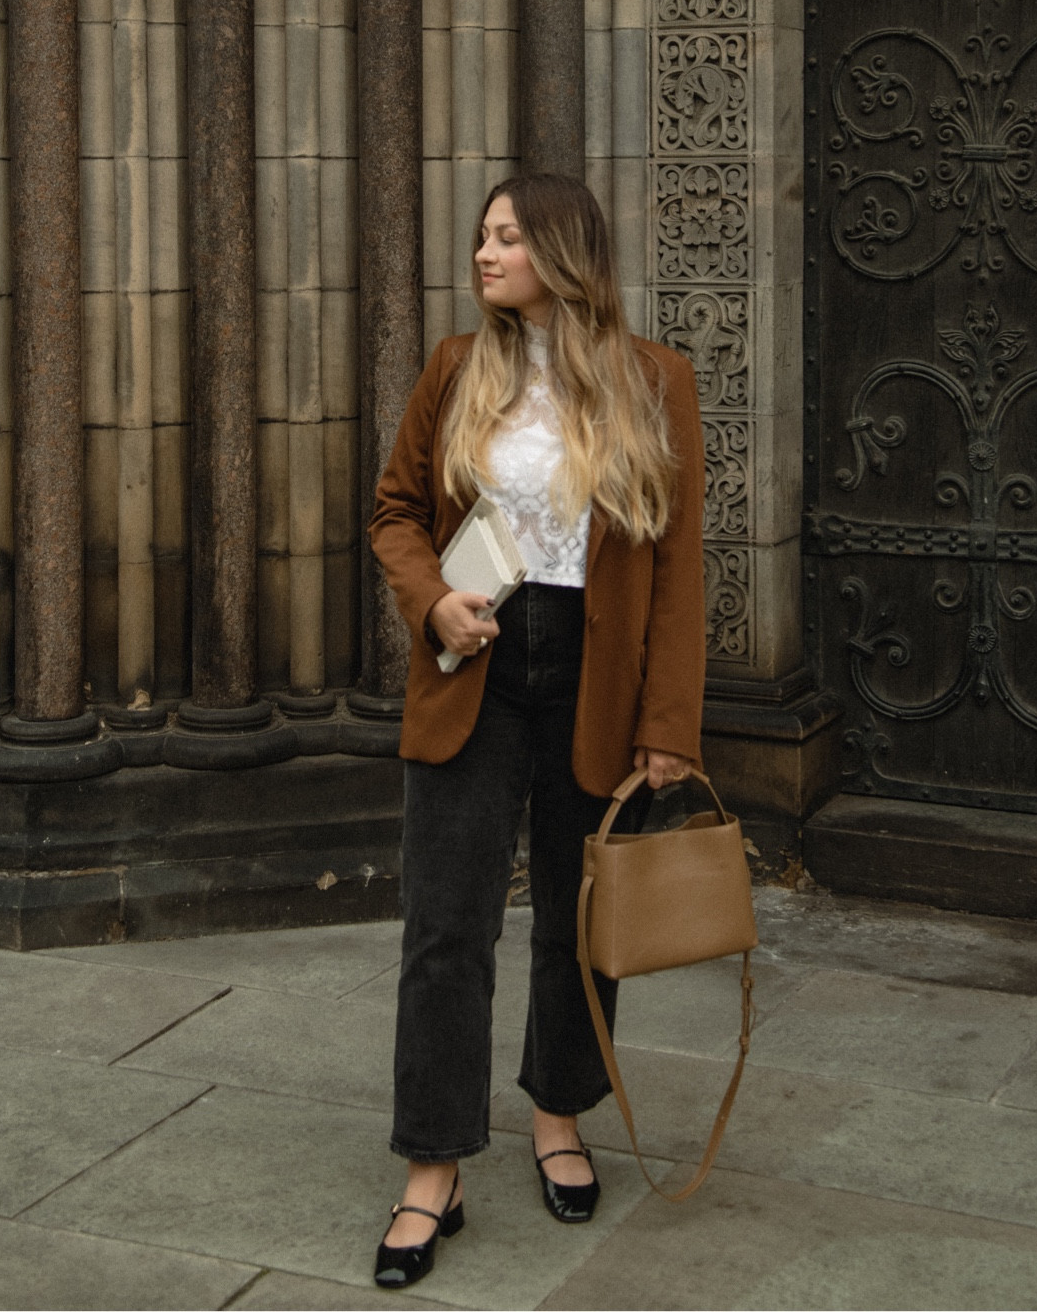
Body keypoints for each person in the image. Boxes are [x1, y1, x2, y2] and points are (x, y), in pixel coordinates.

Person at [368, 172, 706, 1289]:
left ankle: (558, 1113)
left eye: (505, 237)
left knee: (576, 916)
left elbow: (676, 569)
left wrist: (667, 722)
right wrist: (433, 604)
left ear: (562, 252)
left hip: (594, 672)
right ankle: (433, 1165)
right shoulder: (457, 371)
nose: (483, 253)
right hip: (477, 655)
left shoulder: (656, 382)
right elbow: (397, 511)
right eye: (481, 236)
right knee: (447, 924)